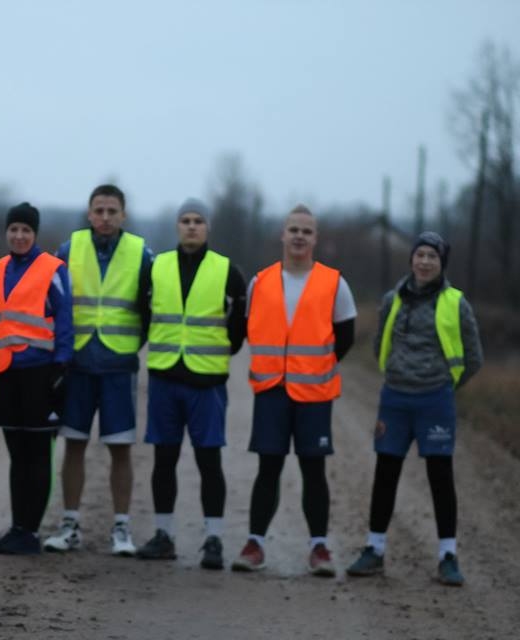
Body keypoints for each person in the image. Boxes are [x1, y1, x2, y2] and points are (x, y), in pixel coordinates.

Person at [346, 232, 482, 586]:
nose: (424, 262)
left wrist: (444, 384)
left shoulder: (456, 302)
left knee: (440, 476)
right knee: (386, 472)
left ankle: (448, 556)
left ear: (441, 264)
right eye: (419, 255)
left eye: (432, 257)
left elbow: (473, 357)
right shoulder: (392, 299)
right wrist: (397, 372)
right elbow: (380, 345)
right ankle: (374, 550)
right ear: (411, 260)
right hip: (395, 399)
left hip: (435, 399)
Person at [232, 204, 356, 576]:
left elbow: (345, 338)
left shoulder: (335, 283)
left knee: (313, 470)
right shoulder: (260, 282)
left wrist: (315, 368)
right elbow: (246, 328)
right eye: (294, 230)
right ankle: (255, 545)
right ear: (282, 235)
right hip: (271, 390)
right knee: (268, 467)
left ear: (315, 238)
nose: (299, 236)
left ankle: (319, 549)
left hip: (314, 393)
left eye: (306, 231)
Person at [135, 199, 246, 570]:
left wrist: (215, 354)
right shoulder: (156, 267)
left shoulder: (229, 271)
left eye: (198, 220)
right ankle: (163, 535)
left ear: (208, 226)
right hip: (165, 378)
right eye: (185, 220)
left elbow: (239, 328)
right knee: (163, 460)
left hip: (206, 382)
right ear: (177, 225)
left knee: (208, 461)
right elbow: (142, 312)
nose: (192, 226)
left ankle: (213, 540)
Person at [44, 184, 151, 556]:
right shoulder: (68, 249)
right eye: (99, 210)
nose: (105, 217)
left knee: (120, 448)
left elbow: (151, 310)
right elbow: (51, 300)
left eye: (112, 211)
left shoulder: (142, 253)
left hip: (119, 364)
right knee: (73, 443)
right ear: (89, 214)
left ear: (123, 215)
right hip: (77, 364)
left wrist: (131, 343)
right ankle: (70, 523)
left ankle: (121, 527)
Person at [0, 202, 73, 555]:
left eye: (26, 230)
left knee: (38, 455)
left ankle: (30, 532)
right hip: (7, 373)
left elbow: (66, 321)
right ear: (6, 232)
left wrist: (61, 369)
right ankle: (18, 527)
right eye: (13, 230)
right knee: (16, 454)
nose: (19, 236)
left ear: (34, 234)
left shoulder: (53, 269)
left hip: (41, 373)